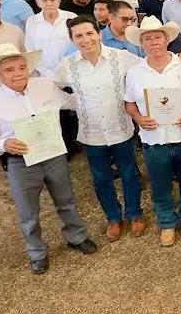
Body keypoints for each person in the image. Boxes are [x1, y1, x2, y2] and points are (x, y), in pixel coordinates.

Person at [0, 43, 96, 274]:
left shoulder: (45, 86)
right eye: (10, 70)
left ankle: (77, 237)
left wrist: (97, 91)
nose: (18, 73)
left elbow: (72, 102)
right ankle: (37, 252)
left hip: (54, 154)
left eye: (21, 67)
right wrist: (3, 144)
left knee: (66, 200)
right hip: (20, 162)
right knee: (28, 211)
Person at [55, 16, 145, 242]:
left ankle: (134, 214)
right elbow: (54, 87)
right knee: (101, 178)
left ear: (99, 34)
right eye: (79, 36)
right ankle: (113, 218)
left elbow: (147, 66)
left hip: (120, 128)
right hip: (92, 133)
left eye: (89, 33)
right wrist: (75, 103)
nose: (85, 39)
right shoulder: (67, 64)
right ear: (72, 40)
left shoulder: (120, 57)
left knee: (129, 174)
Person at [123, 17, 181, 247]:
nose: (154, 42)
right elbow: (129, 103)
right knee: (160, 184)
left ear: (167, 40)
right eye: (148, 38)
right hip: (153, 139)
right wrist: (139, 119)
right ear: (141, 43)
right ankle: (167, 222)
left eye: (158, 37)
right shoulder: (135, 71)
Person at [25, 0, 78, 77]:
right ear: (38, 3)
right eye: (44, 0)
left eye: (52, 0)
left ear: (59, 0)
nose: (49, 3)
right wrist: (48, 74)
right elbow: (31, 50)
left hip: (73, 71)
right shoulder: (32, 22)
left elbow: (79, 44)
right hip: (45, 75)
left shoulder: (71, 17)